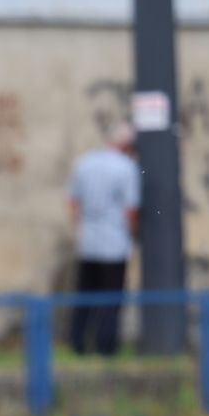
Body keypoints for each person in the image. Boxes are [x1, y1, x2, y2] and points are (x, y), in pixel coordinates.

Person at [67, 123, 140, 357]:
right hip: (114, 242)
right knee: (111, 298)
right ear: (127, 146)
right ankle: (105, 346)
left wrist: (82, 228)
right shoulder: (126, 168)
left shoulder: (84, 163)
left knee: (85, 294)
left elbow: (73, 203)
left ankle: (77, 342)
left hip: (88, 241)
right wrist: (133, 234)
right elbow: (131, 210)